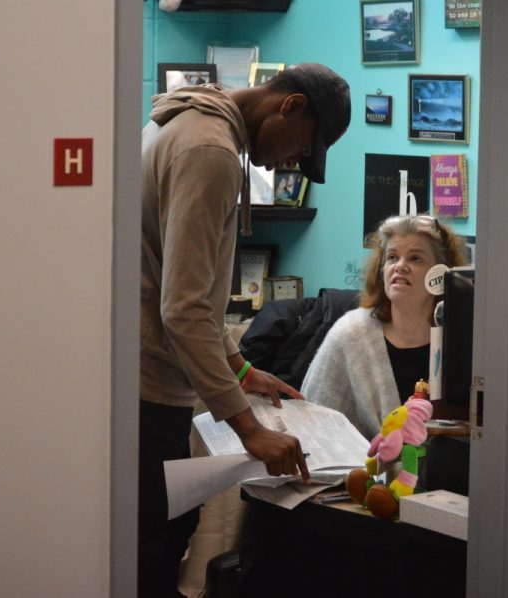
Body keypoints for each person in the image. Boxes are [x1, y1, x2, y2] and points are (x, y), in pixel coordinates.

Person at [139, 63, 351, 597]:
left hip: (141, 377)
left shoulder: (187, 122)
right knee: (150, 552)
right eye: (303, 149)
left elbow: (184, 290)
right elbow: (183, 309)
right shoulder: (209, 151)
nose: (292, 164)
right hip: (146, 388)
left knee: (157, 538)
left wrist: (241, 368)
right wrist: (249, 430)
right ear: (291, 105)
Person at [301, 214, 467, 440]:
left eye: (415, 258)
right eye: (392, 257)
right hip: (361, 469)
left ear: (440, 273)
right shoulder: (350, 334)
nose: (400, 266)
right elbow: (315, 424)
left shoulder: (463, 337)